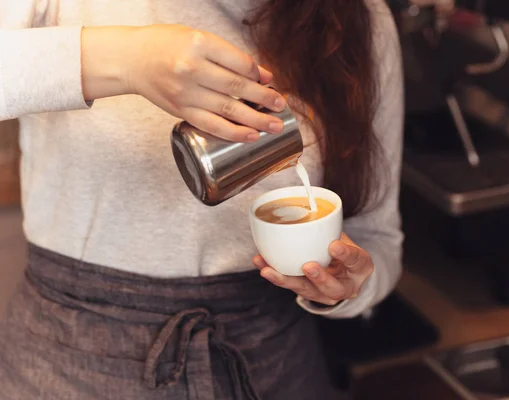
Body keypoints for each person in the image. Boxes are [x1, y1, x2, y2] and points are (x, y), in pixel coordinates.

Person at [0, 0, 404, 399]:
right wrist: (124, 58)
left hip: (272, 360)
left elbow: (378, 239)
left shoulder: (356, 18)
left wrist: (344, 287)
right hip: (70, 358)